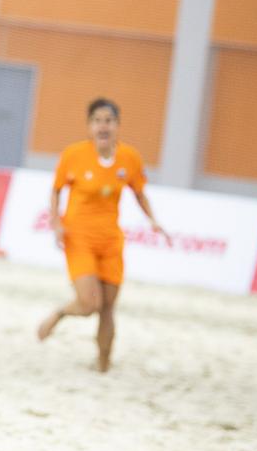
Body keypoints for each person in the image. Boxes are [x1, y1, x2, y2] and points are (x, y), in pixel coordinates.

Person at [36, 97, 170, 372]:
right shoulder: (74, 155)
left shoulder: (129, 158)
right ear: (89, 126)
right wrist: (56, 222)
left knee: (108, 307)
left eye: (108, 121)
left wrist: (153, 220)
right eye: (97, 121)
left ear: (117, 125)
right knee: (89, 304)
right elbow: (56, 190)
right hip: (79, 238)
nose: (103, 126)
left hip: (110, 240)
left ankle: (103, 365)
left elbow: (139, 192)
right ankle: (60, 313)